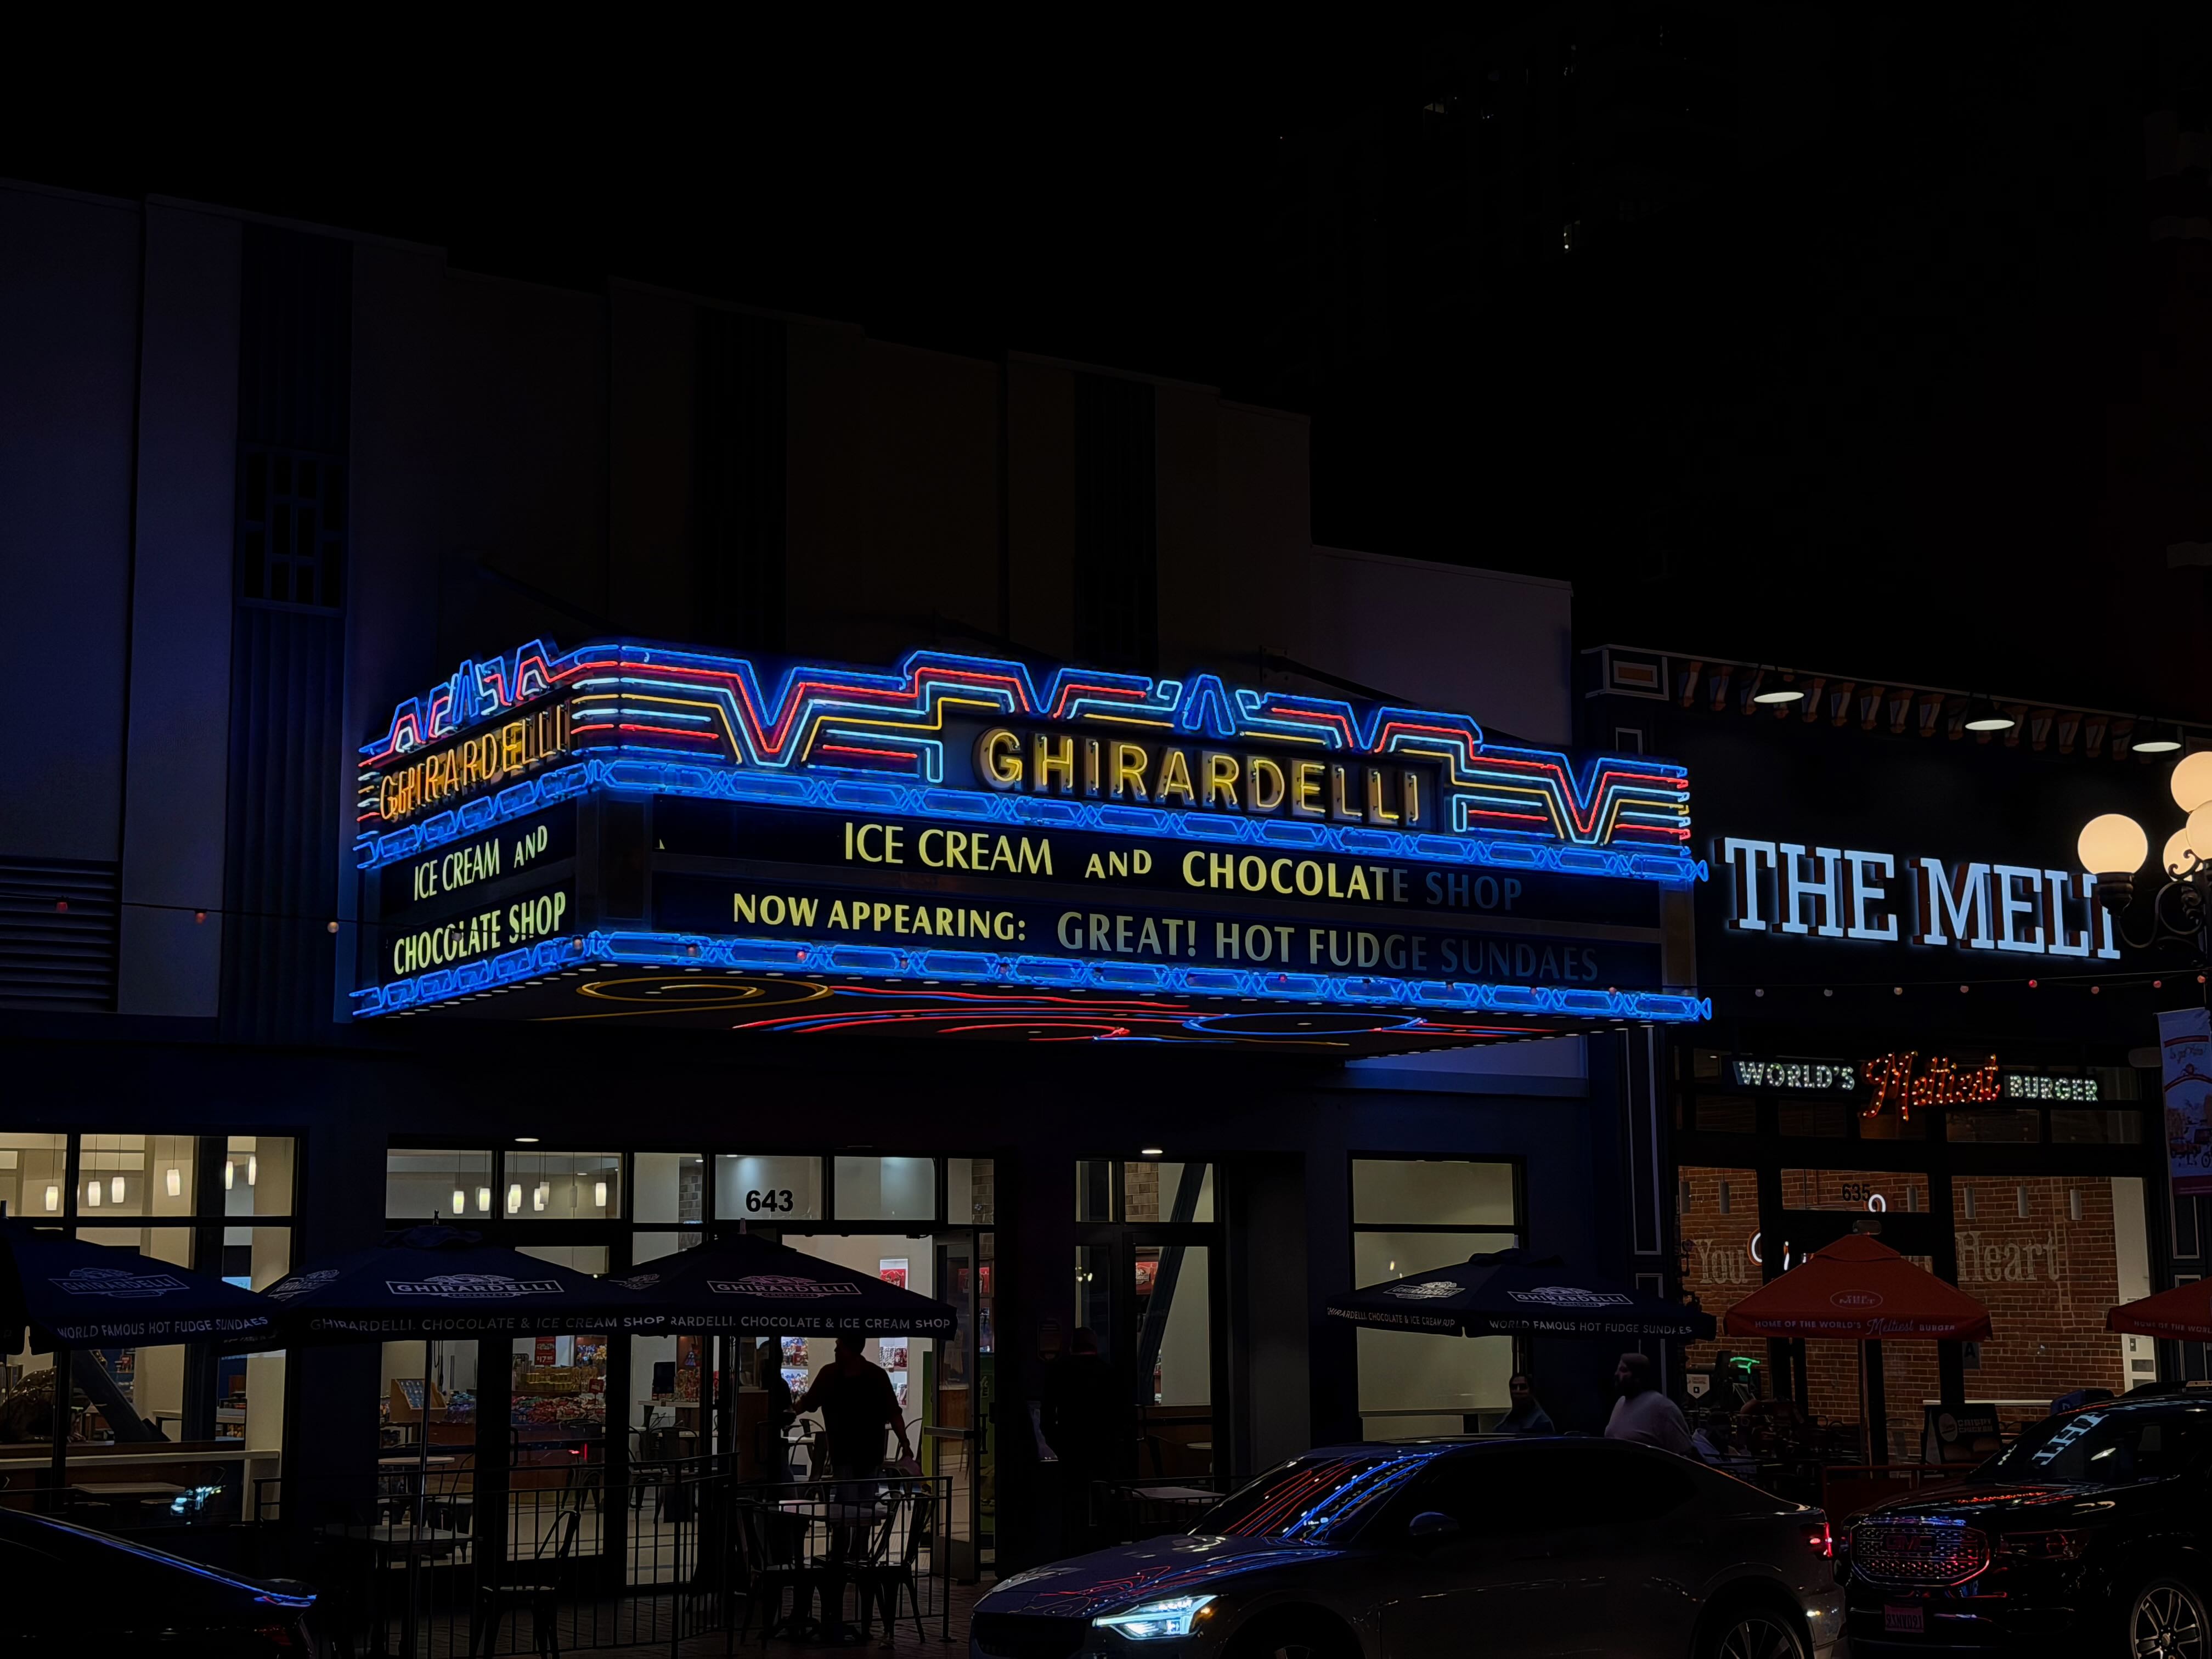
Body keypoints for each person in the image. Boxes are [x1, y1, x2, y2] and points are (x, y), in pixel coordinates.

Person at [1036, 1327, 1131, 1553]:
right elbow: (1122, 1416)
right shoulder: (1110, 1373)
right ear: (1095, 1346)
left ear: (1071, 1346)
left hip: (1072, 1449)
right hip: (1104, 1450)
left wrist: (1059, 1445)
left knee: (1073, 1504)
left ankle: (1073, 1550)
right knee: (1104, 1501)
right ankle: (1105, 1546)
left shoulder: (1058, 1372)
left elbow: (1047, 1418)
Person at [795, 1334, 912, 1483]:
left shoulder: (829, 1374)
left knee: (847, 1500)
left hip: (843, 1451)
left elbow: (808, 1403)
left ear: (851, 1349)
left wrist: (790, 1412)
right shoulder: (877, 1376)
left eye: (840, 1346)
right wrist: (905, 1443)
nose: (836, 1350)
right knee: (865, 1500)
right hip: (870, 1451)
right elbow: (894, 1414)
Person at [1605, 1351, 1695, 1457]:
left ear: (1638, 1377)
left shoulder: (1661, 1407)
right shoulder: (1621, 1403)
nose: (1617, 1374)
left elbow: (1686, 1453)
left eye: (1624, 1370)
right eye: (1618, 1369)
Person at [1496, 1372, 1555, 1436]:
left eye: (1523, 1387)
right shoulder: (1506, 1421)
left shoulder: (1542, 1422)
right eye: (1514, 1387)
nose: (1518, 1391)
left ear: (1531, 1392)